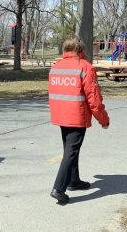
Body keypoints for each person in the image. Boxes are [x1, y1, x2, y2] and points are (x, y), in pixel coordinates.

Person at [48, 36, 109, 204]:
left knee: (70, 150)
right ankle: (58, 188)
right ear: (81, 50)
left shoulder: (56, 67)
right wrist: (104, 120)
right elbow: (94, 100)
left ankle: (73, 181)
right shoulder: (85, 67)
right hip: (76, 116)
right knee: (71, 152)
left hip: (61, 115)